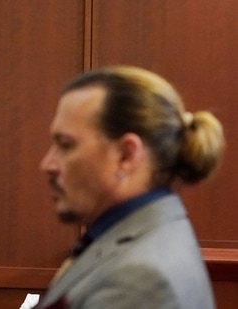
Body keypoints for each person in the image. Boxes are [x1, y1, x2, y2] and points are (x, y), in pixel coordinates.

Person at [36, 66, 224, 308]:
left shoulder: (139, 279)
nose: (47, 164)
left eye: (66, 145)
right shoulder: (149, 235)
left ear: (126, 155)